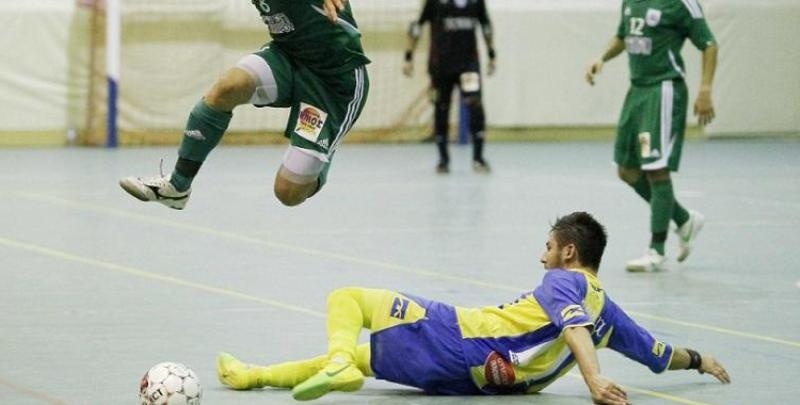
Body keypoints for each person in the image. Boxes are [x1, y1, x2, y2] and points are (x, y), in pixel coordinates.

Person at [215, 212, 730, 403]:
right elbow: (656, 353)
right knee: (366, 357)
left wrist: (594, 380)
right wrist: (700, 360)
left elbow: (573, 328)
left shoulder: (562, 283)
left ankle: (335, 362)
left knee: (346, 299)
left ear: (570, 252)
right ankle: (253, 376)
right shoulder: (609, 314)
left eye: (548, 247)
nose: (543, 256)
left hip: (456, 334)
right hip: (479, 381)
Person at [119, 0, 369, 209]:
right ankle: (177, 187)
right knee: (228, 87)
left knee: (288, 193)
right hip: (289, 58)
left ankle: (322, 153)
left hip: (334, 80)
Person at [585, 0, 719, 272]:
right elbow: (623, 35)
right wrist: (602, 57)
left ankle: (656, 250)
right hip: (637, 91)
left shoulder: (679, 1)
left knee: (656, 168)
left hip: (664, 90)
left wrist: (705, 89)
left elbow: (709, 44)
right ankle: (684, 219)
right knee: (627, 170)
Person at [403, 0, 496, 174]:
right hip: (441, 65)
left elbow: (485, 24)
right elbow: (417, 25)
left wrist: (492, 53)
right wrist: (408, 56)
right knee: (441, 108)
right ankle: (443, 160)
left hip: (468, 65)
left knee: (475, 106)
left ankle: (478, 158)